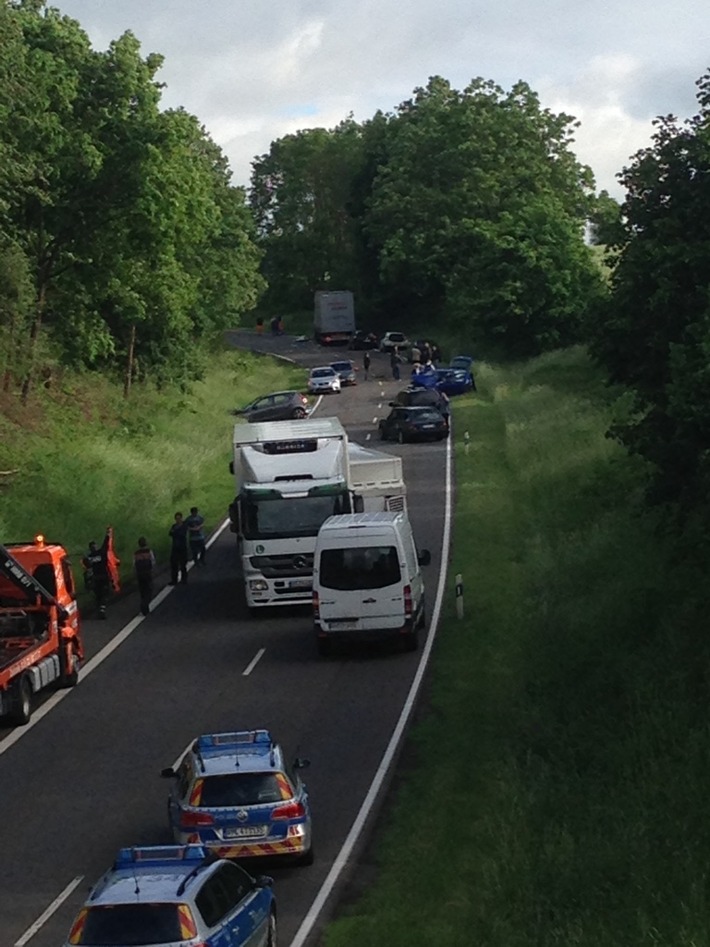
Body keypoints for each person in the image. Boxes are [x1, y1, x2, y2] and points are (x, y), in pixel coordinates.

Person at [82, 527, 119, 619]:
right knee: (104, 593)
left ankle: (99, 608)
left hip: (95, 578)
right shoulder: (101, 553)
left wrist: (87, 583)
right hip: (103, 577)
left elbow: (86, 569)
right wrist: (108, 534)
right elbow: (105, 544)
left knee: (98, 594)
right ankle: (101, 609)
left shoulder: (89, 558)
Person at [133, 537, 155, 616]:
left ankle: (144, 606)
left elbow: (134, 564)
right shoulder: (149, 551)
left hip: (140, 574)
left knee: (142, 590)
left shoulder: (136, 553)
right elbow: (153, 561)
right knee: (149, 590)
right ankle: (145, 605)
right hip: (147, 573)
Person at [168, 512, 189, 585]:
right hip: (175, 548)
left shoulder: (184, 526)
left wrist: (175, 532)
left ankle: (184, 579)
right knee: (174, 565)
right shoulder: (174, 526)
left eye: (179, 518)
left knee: (183, 565)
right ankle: (174, 580)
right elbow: (170, 533)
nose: (178, 520)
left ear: (181, 518)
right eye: (176, 519)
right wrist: (175, 532)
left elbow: (182, 534)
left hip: (182, 548)